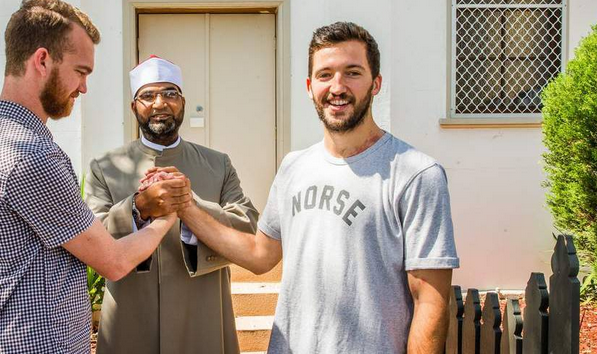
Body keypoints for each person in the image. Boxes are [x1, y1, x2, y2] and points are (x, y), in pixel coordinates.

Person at [177, 22, 459, 354]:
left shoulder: (416, 173)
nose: (337, 86)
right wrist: (187, 208)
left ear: (376, 83)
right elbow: (260, 255)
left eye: (352, 73)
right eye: (325, 75)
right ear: (310, 87)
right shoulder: (293, 167)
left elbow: (430, 298)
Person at [0, 0, 183, 354]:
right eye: (81, 72)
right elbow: (114, 262)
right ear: (42, 60)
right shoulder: (30, 154)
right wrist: (167, 214)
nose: (84, 88)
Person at [84, 56, 259, 354]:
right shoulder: (105, 167)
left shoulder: (218, 164)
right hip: (132, 312)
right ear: (133, 106)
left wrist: (189, 205)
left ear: (183, 102)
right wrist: (139, 207)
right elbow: (94, 238)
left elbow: (247, 226)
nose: (159, 103)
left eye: (169, 93)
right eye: (148, 96)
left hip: (202, 310)